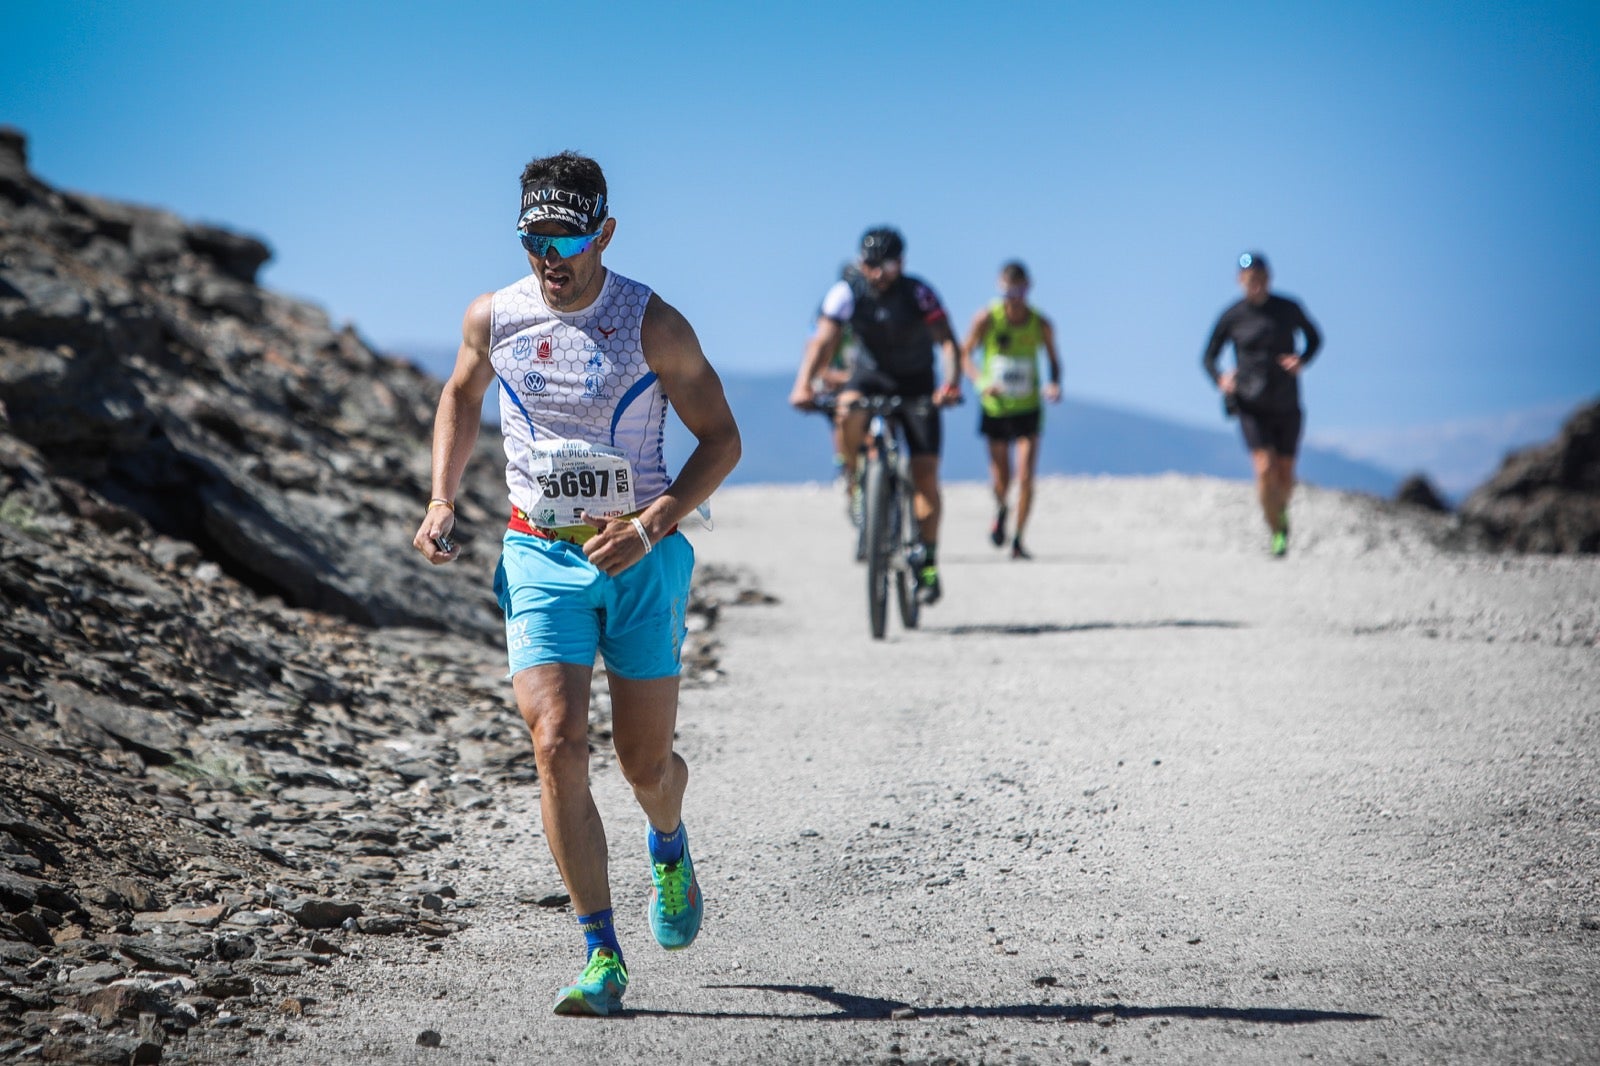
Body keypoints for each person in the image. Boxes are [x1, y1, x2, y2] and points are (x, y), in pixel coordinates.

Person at [413, 151, 740, 1016]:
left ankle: (668, 844)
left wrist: (650, 524)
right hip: (539, 555)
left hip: (640, 559)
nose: (549, 257)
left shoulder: (653, 324)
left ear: (605, 232)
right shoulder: (496, 315)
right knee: (555, 742)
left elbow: (722, 442)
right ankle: (601, 952)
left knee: (643, 763)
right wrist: (443, 497)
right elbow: (458, 395)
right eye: (533, 238)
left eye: (565, 236)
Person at [788, 226, 963, 602]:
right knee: (847, 410)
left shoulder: (919, 293)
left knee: (926, 475)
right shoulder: (846, 292)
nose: (877, 273)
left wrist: (949, 385)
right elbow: (822, 340)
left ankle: (928, 563)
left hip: (917, 382)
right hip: (869, 377)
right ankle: (855, 477)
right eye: (869, 264)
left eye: (885, 265)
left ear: (901, 263)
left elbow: (947, 341)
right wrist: (803, 383)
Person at [1201, 251, 1322, 557]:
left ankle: (1280, 514)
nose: (1255, 284)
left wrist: (1302, 359)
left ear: (1269, 279)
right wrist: (1221, 378)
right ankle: (1277, 532)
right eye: (1249, 279)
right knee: (1264, 467)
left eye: (1259, 278)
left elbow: (1315, 337)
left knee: (1285, 473)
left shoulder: (1288, 308)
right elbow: (1208, 356)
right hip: (1250, 404)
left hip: (1287, 402)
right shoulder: (1232, 316)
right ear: (1240, 281)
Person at [960, 261, 1062, 560]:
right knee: (1000, 475)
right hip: (996, 406)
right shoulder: (986, 319)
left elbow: (1055, 360)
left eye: (1018, 291)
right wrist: (980, 382)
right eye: (1007, 291)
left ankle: (1018, 539)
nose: (1013, 297)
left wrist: (1055, 384)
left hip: (1028, 406)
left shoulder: (1040, 323)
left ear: (1028, 288)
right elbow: (964, 354)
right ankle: (1002, 507)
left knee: (1026, 475)